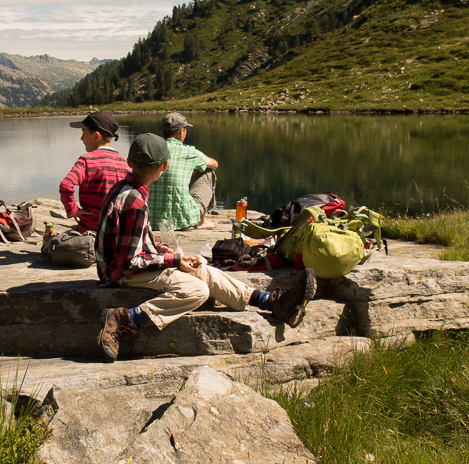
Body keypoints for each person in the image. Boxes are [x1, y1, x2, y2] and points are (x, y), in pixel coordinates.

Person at [95, 133, 316, 362]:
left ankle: (268, 301)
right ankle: (125, 318)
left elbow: (132, 240)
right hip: (118, 272)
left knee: (200, 268)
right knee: (197, 290)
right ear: (164, 166)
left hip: (118, 264)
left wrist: (158, 249)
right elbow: (128, 263)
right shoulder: (136, 203)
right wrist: (172, 261)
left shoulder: (126, 188)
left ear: (129, 163)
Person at [59, 111, 130, 234]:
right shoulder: (124, 164)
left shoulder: (86, 161)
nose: (81, 138)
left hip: (89, 232)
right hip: (115, 235)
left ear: (96, 136)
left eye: (84, 133)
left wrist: (73, 209)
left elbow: (66, 185)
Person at [147, 112, 219, 231]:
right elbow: (214, 164)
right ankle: (200, 221)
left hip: (150, 221)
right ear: (182, 132)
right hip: (181, 221)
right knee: (208, 172)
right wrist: (194, 168)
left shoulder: (151, 149)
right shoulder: (190, 152)